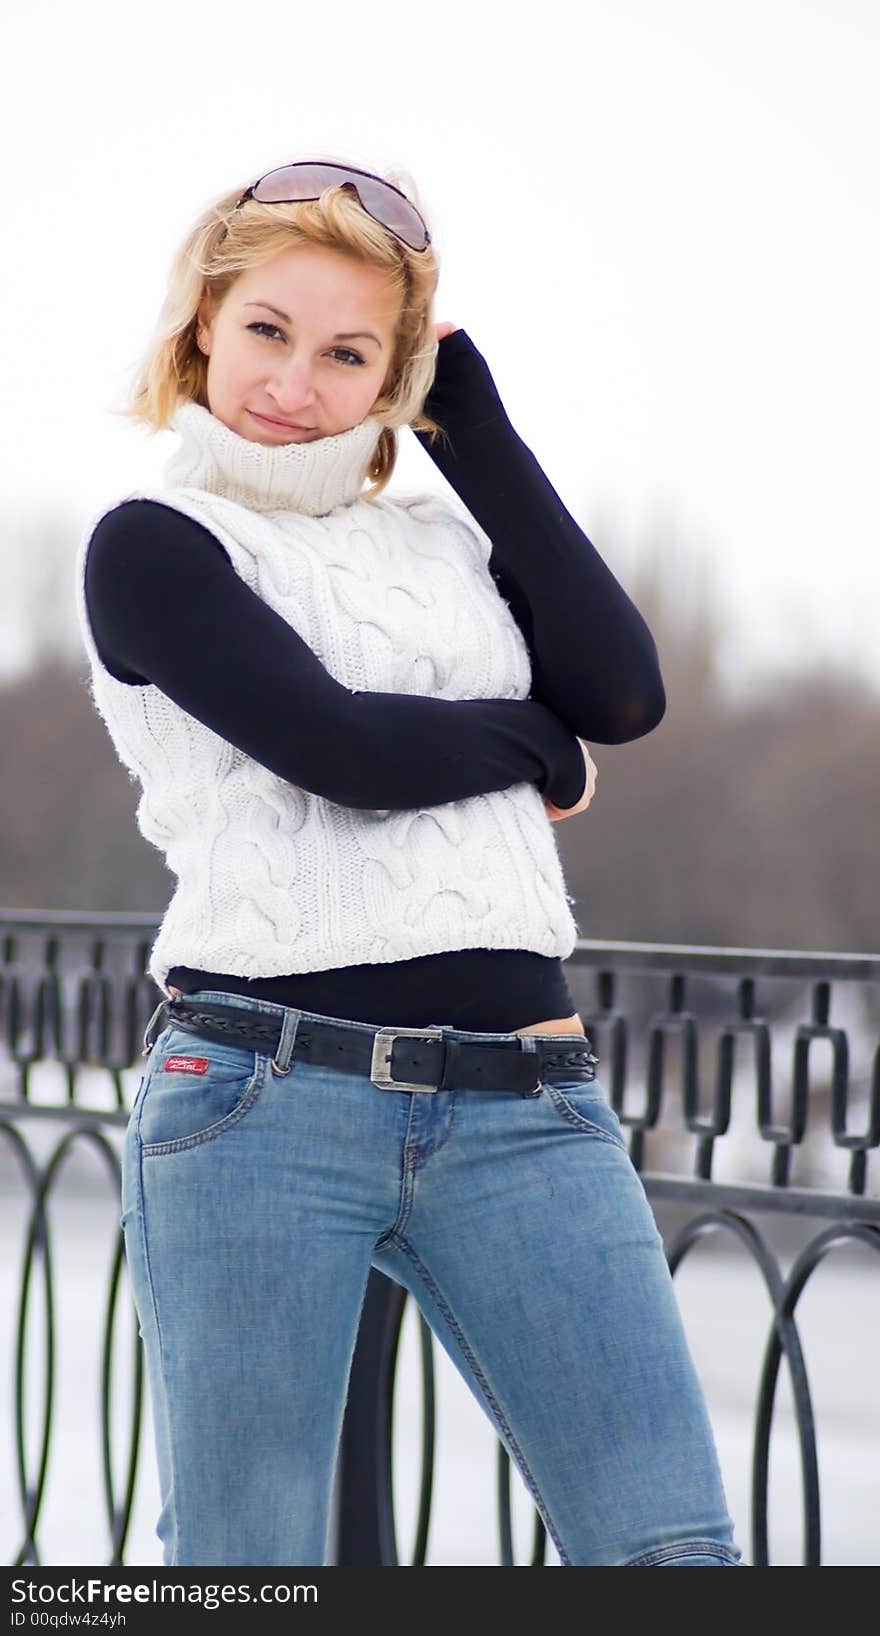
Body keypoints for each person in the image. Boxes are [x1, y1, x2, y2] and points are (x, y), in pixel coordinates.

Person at [74, 154, 742, 1567]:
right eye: (266, 330)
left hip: (528, 1108)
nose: (292, 383)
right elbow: (343, 752)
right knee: (248, 1569)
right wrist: (536, 750)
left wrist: (480, 437)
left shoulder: (443, 540)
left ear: (392, 383)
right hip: (263, 1099)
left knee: (673, 1555)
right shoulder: (154, 547)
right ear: (203, 320)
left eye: (347, 354)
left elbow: (622, 691)